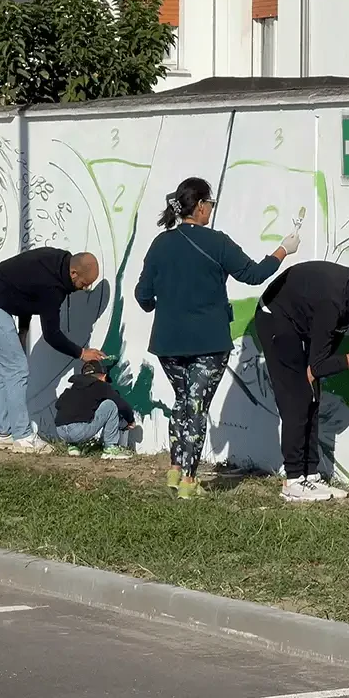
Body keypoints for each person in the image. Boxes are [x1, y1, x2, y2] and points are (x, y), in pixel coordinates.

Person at [135, 177, 300, 499]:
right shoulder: (216, 242)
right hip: (208, 342)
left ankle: (175, 468)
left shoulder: (160, 244)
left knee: (182, 403)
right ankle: (189, 481)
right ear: (199, 206)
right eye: (210, 204)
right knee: (196, 407)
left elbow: (143, 296)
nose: (211, 209)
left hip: (167, 343)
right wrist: (283, 250)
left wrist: (165, 304)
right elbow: (252, 275)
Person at [255, 261, 349, 502]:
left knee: (312, 394)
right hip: (275, 318)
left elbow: (323, 355)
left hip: (300, 320)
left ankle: (310, 475)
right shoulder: (334, 304)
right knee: (297, 397)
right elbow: (319, 364)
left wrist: (317, 369)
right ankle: (293, 479)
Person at [0, 247, 104, 453]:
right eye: (84, 284)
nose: (85, 288)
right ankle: (23, 437)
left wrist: (22, 331)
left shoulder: (56, 263)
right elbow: (51, 334)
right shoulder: (53, 286)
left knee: (7, 367)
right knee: (16, 368)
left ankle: (2, 434)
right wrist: (82, 353)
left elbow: (25, 292)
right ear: (73, 273)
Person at [54, 360, 136, 459]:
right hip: (79, 431)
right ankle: (110, 448)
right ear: (104, 376)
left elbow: (58, 405)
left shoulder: (74, 387)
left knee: (77, 411)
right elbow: (121, 405)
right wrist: (130, 420)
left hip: (61, 431)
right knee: (110, 405)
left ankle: (73, 447)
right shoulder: (101, 385)